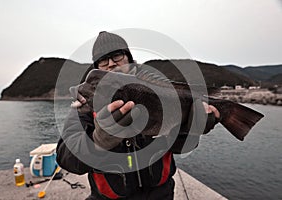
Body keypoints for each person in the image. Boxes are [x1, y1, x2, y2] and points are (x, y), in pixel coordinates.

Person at [56, 31, 220, 200]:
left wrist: (191, 129)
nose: (111, 64)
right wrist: (98, 142)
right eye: (103, 60)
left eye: (117, 56)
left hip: (161, 195)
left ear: (129, 58)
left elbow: (181, 147)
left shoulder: (159, 93)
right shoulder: (86, 103)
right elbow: (65, 157)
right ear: (97, 67)